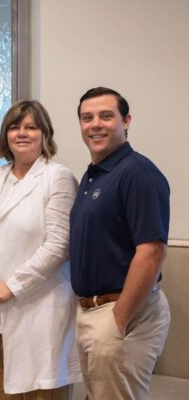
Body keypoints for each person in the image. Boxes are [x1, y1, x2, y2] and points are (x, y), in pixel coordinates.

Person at [0, 100, 81, 399]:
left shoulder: (57, 178)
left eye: (31, 127)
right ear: (5, 135)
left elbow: (58, 245)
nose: (22, 133)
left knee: (40, 392)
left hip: (40, 314)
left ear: (45, 135)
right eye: (15, 127)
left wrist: (12, 286)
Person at [70, 87, 170, 400]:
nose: (95, 124)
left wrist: (119, 319)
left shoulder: (138, 174)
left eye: (106, 116)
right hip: (91, 311)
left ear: (125, 121)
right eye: (87, 118)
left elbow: (152, 253)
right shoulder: (93, 176)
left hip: (121, 312)